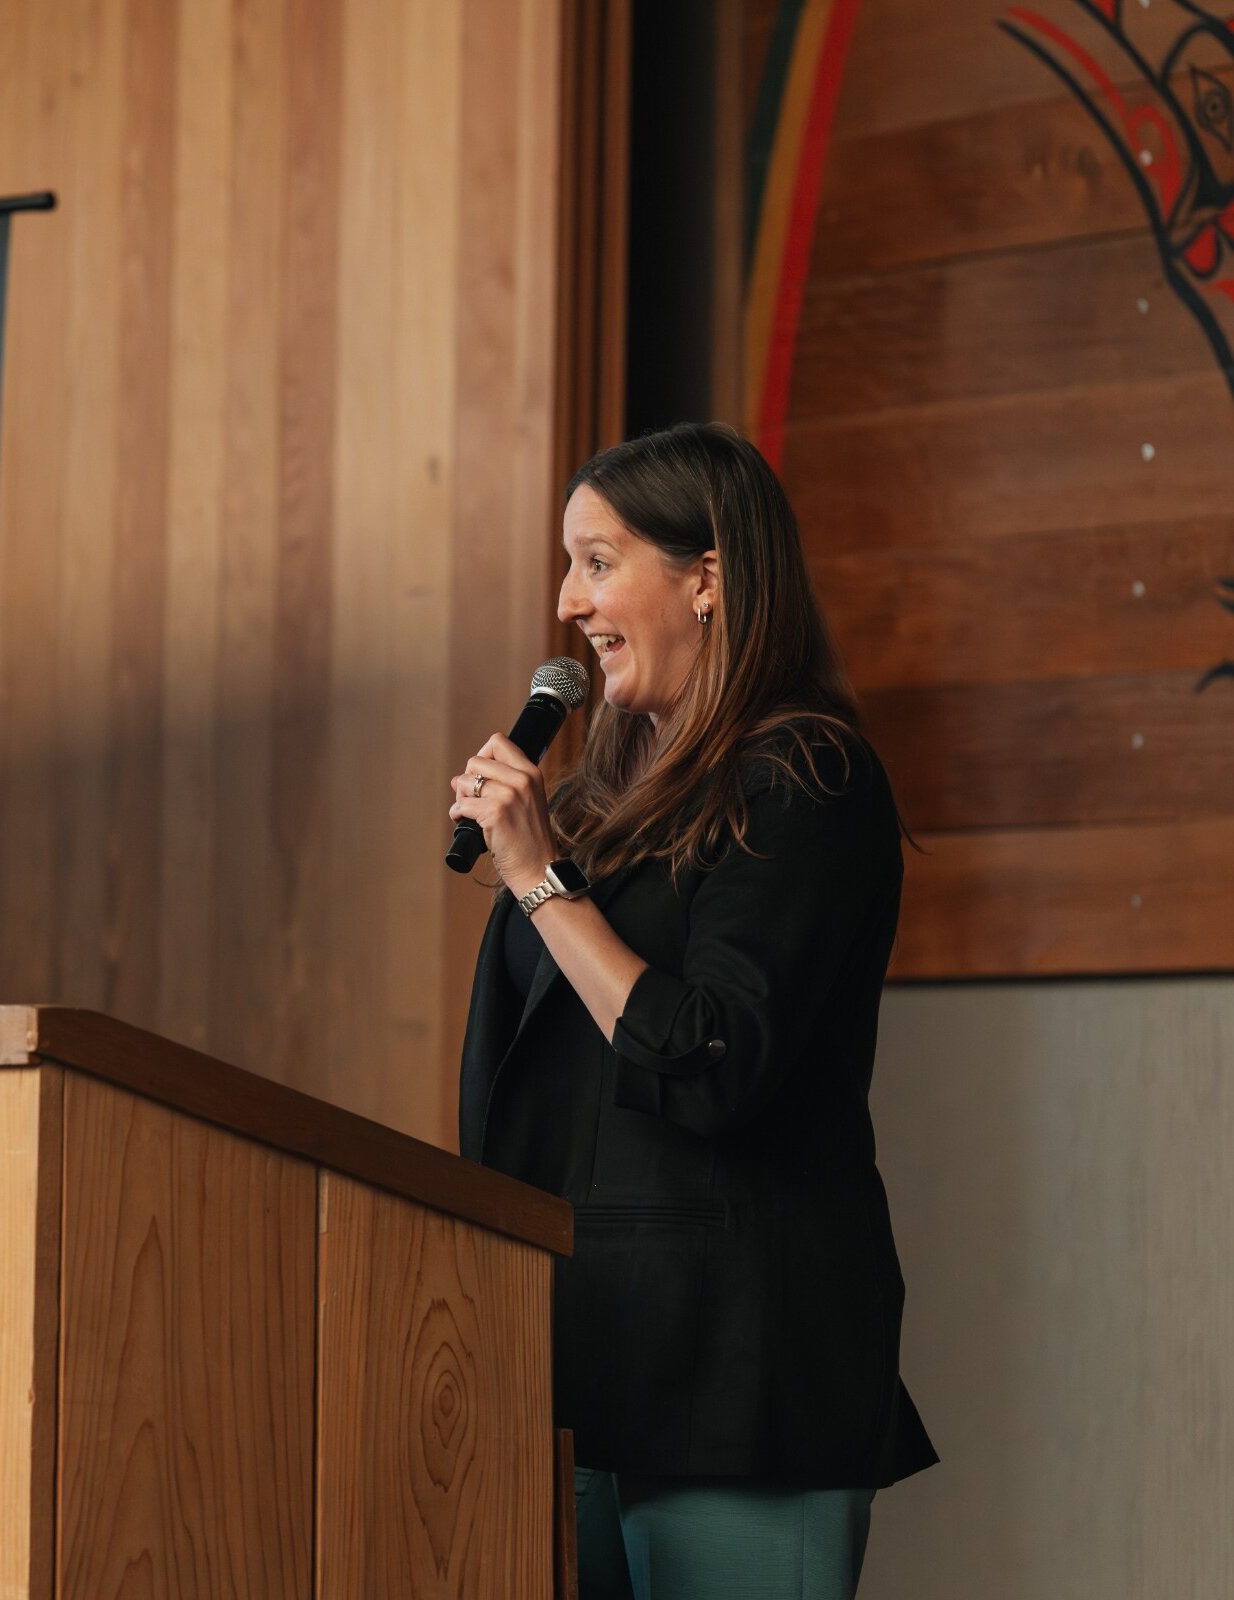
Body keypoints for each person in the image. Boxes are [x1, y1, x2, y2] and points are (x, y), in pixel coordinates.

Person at [448, 424, 935, 1600]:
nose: (569, 603)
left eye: (599, 562)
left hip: (735, 1381)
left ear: (707, 576)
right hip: (582, 1365)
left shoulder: (805, 777)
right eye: (568, 567)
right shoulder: (603, 807)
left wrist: (536, 881)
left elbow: (709, 1059)